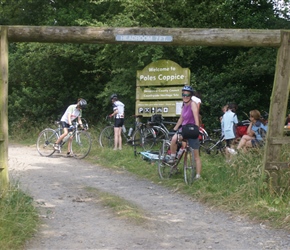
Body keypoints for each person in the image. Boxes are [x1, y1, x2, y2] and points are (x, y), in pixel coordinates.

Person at [169, 85, 201, 179]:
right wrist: (174, 129)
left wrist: (197, 129)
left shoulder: (193, 104)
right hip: (183, 129)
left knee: (196, 155)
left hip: (191, 129)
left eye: (187, 94)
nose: (185, 96)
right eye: (183, 94)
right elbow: (181, 119)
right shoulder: (184, 105)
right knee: (174, 138)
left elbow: (196, 117)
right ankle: (173, 156)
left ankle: (198, 175)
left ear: (191, 95)